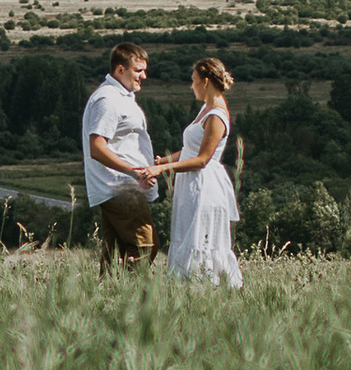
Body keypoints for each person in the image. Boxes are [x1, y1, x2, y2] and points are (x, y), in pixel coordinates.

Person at [79, 38, 162, 270]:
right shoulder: (108, 99)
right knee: (145, 246)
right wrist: (135, 173)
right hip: (120, 186)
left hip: (120, 185)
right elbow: (97, 147)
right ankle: (130, 301)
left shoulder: (120, 97)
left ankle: (108, 299)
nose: (143, 76)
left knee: (116, 252)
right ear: (120, 69)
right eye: (138, 71)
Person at [164, 58, 243, 288]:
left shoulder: (217, 115)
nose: (192, 86)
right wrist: (165, 160)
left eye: (194, 81)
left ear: (206, 82)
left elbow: (202, 159)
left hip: (204, 186)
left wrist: (164, 168)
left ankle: (202, 291)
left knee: (199, 241)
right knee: (186, 238)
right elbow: (190, 150)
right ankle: (186, 290)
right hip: (190, 184)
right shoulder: (205, 108)